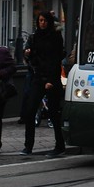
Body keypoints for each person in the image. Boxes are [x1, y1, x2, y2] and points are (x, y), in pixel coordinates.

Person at [21, 11, 65, 157]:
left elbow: (56, 59)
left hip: (51, 79)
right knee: (30, 111)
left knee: (53, 113)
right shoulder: (35, 37)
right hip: (38, 77)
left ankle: (60, 145)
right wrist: (28, 53)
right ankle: (28, 146)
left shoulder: (55, 37)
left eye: (45, 20)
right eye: (40, 20)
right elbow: (32, 57)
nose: (42, 23)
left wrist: (51, 80)